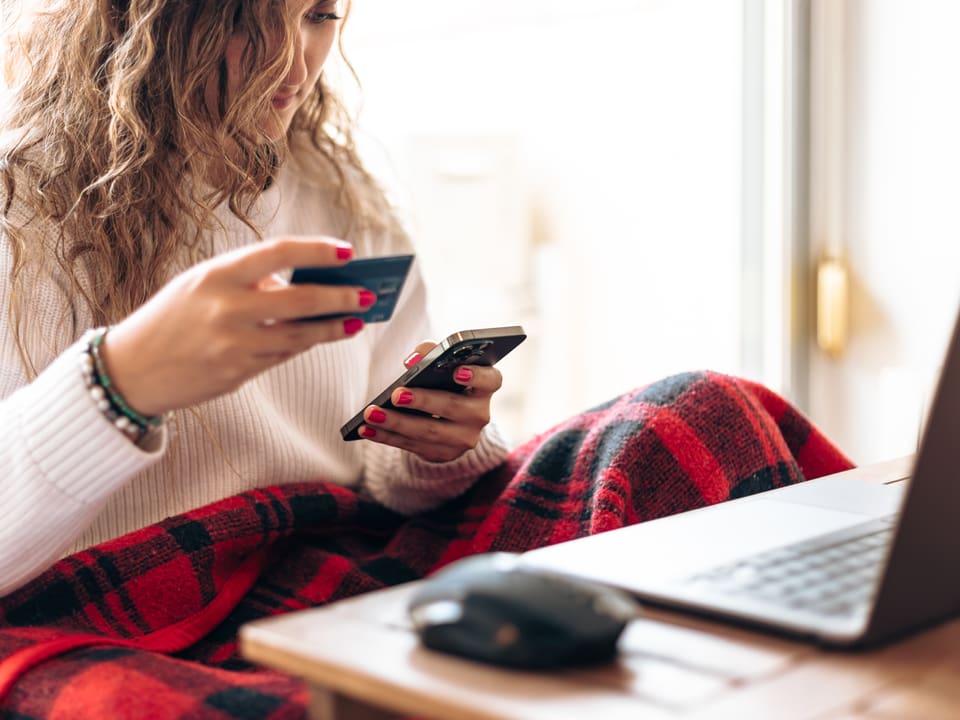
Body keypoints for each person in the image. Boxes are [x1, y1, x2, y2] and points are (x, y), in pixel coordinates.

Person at [0, 0, 512, 597]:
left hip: (325, 561)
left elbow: (381, 476)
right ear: (139, 20)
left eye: (319, 15)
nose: (294, 65)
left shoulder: (344, 195)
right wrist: (117, 386)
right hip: (119, 600)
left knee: (643, 423)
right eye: (247, 21)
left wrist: (434, 449)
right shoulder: (21, 209)